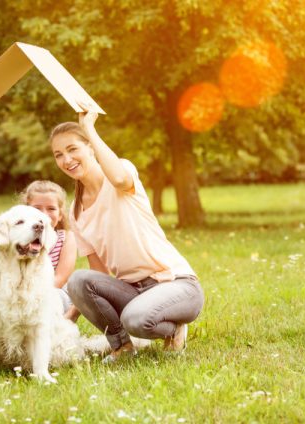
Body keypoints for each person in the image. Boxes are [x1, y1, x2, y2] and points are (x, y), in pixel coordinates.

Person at [49, 105, 204, 363]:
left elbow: (120, 179)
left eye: (72, 149)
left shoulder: (120, 174)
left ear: (90, 147)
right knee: (78, 280)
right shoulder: (75, 211)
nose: (66, 159)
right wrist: (71, 317)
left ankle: (174, 329)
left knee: (136, 319)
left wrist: (89, 128)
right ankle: (122, 347)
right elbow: (97, 272)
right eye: (58, 154)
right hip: (132, 291)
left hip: (176, 284)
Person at [19, 180, 79, 322]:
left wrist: (33, 296)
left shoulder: (66, 238)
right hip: (21, 294)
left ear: (60, 214)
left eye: (51, 209)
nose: (44, 214)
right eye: (37, 208)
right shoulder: (18, 239)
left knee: (50, 302)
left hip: (53, 292)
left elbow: (60, 278)